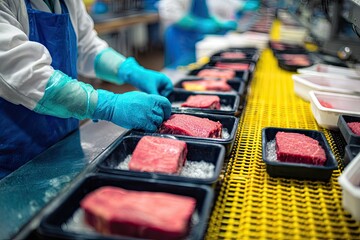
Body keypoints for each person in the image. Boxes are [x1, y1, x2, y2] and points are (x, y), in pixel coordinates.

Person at [0, 0, 173, 179]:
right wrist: (108, 105)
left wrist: (131, 71)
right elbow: (27, 75)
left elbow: (87, 47)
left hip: (65, 140)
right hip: (15, 157)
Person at [158, 0, 242, 69]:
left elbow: (205, 11)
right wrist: (198, 24)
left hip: (198, 36)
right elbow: (168, 11)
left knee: (198, 66)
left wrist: (219, 23)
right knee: (181, 69)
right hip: (181, 37)